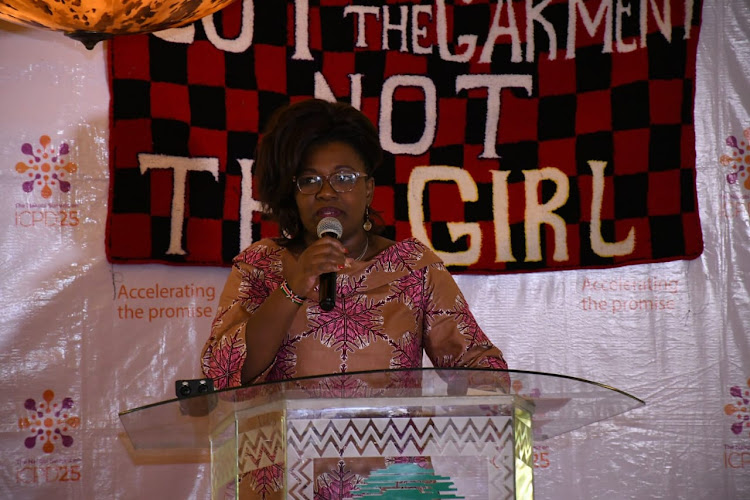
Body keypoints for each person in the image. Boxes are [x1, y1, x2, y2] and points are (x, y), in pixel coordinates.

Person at [200, 98, 508, 499]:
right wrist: (294, 286)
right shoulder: (261, 266)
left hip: (391, 488)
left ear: (368, 188)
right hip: (282, 484)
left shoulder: (414, 267)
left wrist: (476, 394)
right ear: (292, 194)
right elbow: (221, 372)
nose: (327, 191)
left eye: (344, 177)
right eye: (309, 180)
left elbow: (481, 367)